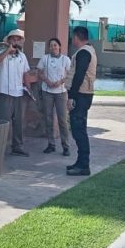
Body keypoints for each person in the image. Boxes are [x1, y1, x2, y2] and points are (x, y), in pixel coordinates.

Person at [65, 26, 97, 175]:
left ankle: (84, 165)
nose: (72, 40)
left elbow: (79, 75)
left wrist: (71, 96)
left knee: (79, 130)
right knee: (78, 129)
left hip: (80, 95)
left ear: (77, 37)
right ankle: (80, 162)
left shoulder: (84, 52)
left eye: (73, 37)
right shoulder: (88, 50)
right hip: (83, 94)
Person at [0, 28, 31, 156]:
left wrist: (29, 88)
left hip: (19, 93)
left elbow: (26, 73)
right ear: (9, 40)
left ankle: (17, 146)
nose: (16, 41)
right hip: (5, 93)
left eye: (18, 39)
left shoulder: (23, 56)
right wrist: (8, 51)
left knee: (19, 122)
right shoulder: (1, 53)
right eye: (13, 39)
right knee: (2, 121)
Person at [37, 37, 72, 156]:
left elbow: (69, 74)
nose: (53, 47)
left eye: (55, 45)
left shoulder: (65, 59)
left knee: (62, 119)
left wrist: (60, 82)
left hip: (61, 92)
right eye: (51, 45)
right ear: (49, 48)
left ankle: (65, 146)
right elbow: (39, 72)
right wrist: (47, 81)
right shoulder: (44, 58)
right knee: (48, 118)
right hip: (47, 91)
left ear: (59, 46)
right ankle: (51, 144)